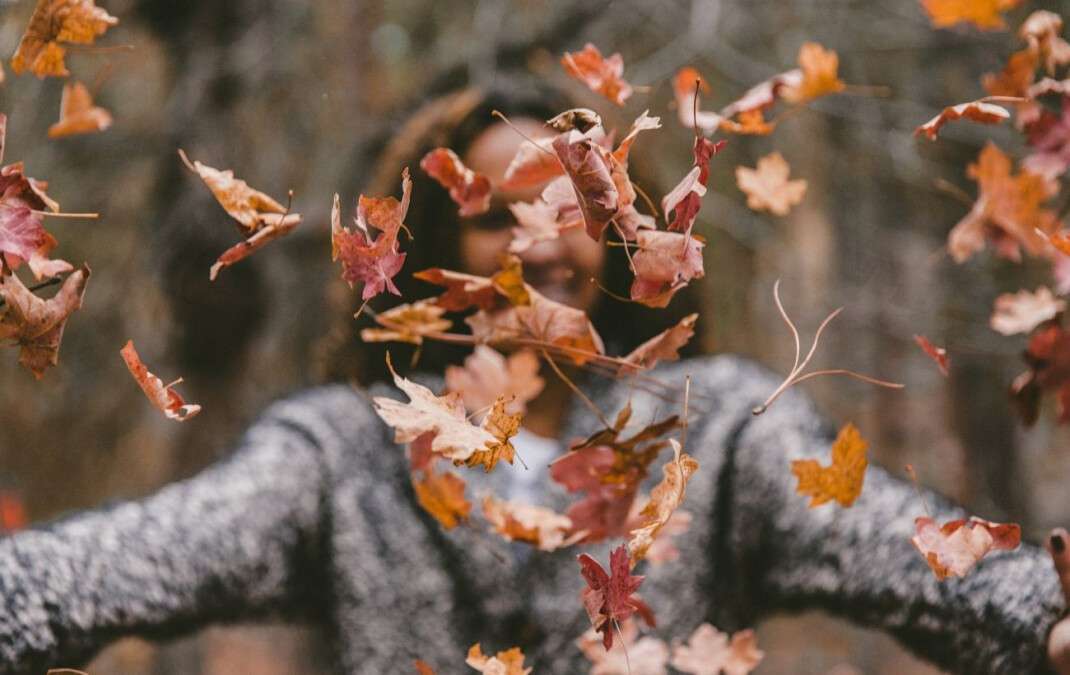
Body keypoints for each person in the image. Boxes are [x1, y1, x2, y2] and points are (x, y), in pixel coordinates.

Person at [1, 81, 1069, 675]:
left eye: (569, 209)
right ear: (428, 248)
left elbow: (907, 558)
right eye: (493, 212)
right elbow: (132, 559)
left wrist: (1045, 618)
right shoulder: (341, 451)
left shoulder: (716, 431)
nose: (539, 242)